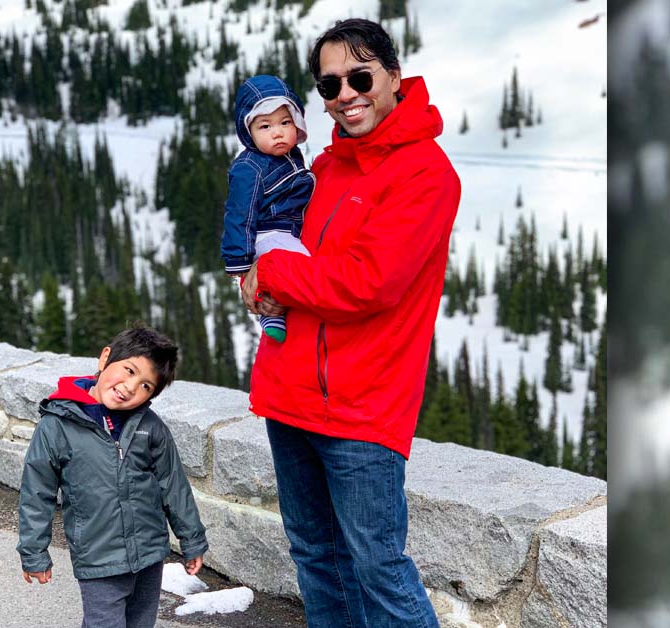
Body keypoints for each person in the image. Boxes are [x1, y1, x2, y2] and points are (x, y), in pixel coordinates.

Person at [240, 18, 461, 628]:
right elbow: (301, 261)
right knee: (316, 556)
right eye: (330, 85)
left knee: (378, 568)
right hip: (291, 393)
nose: (346, 94)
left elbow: (369, 283)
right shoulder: (329, 167)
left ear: (393, 76)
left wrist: (276, 273)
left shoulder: (426, 173)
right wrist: (259, 284)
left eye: (360, 76)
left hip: (363, 406)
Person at [16, 325, 208, 628]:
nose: (131, 387)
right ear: (105, 357)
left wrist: (192, 539)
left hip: (148, 555)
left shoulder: (150, 426)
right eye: (129, 370)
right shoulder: (57, 426)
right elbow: (36, 494)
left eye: (146, 385)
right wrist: (34, 553)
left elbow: (173, 485)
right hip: (99, 558)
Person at [221, 74, 315, 343]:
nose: (277, 132)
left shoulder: (290, 156)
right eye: (265, 126)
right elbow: (240, 213)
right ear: (248, 131)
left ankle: (275, 309)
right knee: (302, 268)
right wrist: (239, 261)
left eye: (285, 122)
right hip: (268, 233)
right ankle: (270, 313)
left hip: (286, 230)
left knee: (299, 263)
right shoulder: (249, 168)